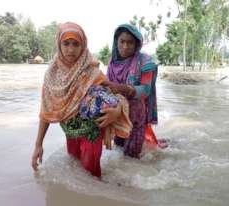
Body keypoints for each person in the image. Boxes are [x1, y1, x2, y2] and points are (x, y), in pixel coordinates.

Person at [31, 22, 132, 178]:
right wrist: (38, 145)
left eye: (76, 44)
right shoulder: (51, 76)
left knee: (91, 176)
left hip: (92, 134)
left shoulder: (92, 72)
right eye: (66, 43)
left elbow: (115, 96)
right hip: (70, 134)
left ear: (83, 45)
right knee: (74, 170)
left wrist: (117, 111)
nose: (70, 49)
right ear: (59, 44)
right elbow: (46, 111)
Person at [106, 23, 166, 159]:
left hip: (135, 117)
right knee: (118, 149)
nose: (125, 46)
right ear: (116, 42)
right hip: (118, 113)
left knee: (131, 157)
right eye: (122, 41)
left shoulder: (145, 62)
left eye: (130, 43)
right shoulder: (112, 62)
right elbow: (106, 86)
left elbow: (145, 90)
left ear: (137, 45)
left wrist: (123, 88)